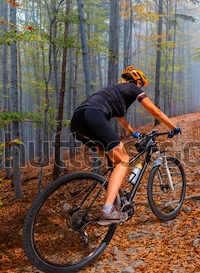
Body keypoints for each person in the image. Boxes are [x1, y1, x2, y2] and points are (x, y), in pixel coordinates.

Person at [70, 66, 181, 225]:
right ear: (137, 81)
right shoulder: (132, 88)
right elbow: (155, 112)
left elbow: (121, 119)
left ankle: (115, 198)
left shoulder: (115, 92)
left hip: (77, 122)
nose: (140, 88)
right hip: (93, 116)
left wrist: (132, 132)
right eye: (141, 85)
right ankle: (108, 210)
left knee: (113, 162)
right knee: (123, 160)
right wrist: (173, 127)